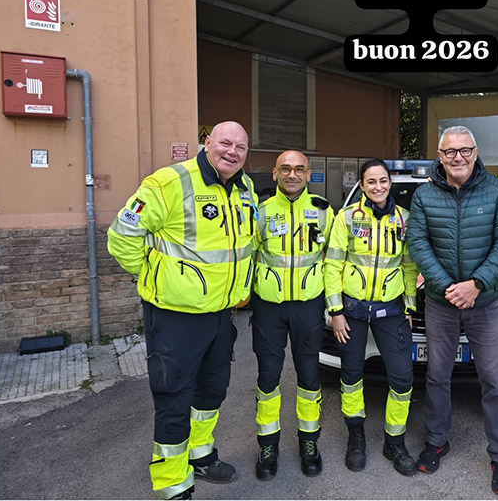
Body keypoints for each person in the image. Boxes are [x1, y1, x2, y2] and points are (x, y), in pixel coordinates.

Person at [107, 121, 257, 500]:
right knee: (174, 397)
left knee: (212, 391)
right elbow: (122, 237)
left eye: (240, 147)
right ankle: (173, 482)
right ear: (207, 143)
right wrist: (155, 278)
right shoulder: (168, 182)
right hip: (175, 317)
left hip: (221, 314)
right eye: (225, 142)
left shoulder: (245, 188)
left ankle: (200, 455)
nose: (232, 152)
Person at [407, 126, 498, 495]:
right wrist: (448, 288)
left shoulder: (497, 190)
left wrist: (477, 285)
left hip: (485, 302)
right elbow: (418, 243)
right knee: (437, 376)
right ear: (440, 156)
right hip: (441, 303)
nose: (458, 157)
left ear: (476, 152)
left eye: (465, 150)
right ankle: (437, 440)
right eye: (450, 152)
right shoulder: (424, 195)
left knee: (493, 381)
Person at [323, 159, 419, 476]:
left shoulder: (404, 220)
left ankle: (395, 441)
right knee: (351, 376)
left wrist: (409, 306)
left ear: (390, 183)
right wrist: (336, 311)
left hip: (390, 310)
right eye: (371, 181)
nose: (378, 187)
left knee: (403, 378)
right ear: (362, 186)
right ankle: (356, 437)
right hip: (352, 310)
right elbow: (333, 265)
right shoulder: (347, 218)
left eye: (383, 181)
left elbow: (409, 266)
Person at [251, 150, 334, 480]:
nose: (292, 174)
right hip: (268, 306)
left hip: (308, 305)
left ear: (308, 174)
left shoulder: (324, 211)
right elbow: (247, 255)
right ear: (275, 173)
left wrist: (334, 305)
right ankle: (267, 446)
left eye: (299, 169)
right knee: (268, 378)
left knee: (309, 378)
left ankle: (309, 442)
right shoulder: (260, 211)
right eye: (285, 169)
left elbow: (333, 261)